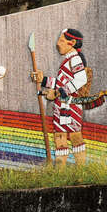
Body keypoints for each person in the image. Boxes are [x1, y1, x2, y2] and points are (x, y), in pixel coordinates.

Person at [32, 29, 93, 167]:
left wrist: (58, 92)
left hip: (71, 106)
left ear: (71, 43)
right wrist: (43, 80)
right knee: (59, 137)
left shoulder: (75, 59)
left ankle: (81, 170)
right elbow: (61, 82)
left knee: (75, 136)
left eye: (61, 41)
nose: (57, 44)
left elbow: (80, 80)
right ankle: (60, 171)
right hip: (61, 106)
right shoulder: (68, 59)